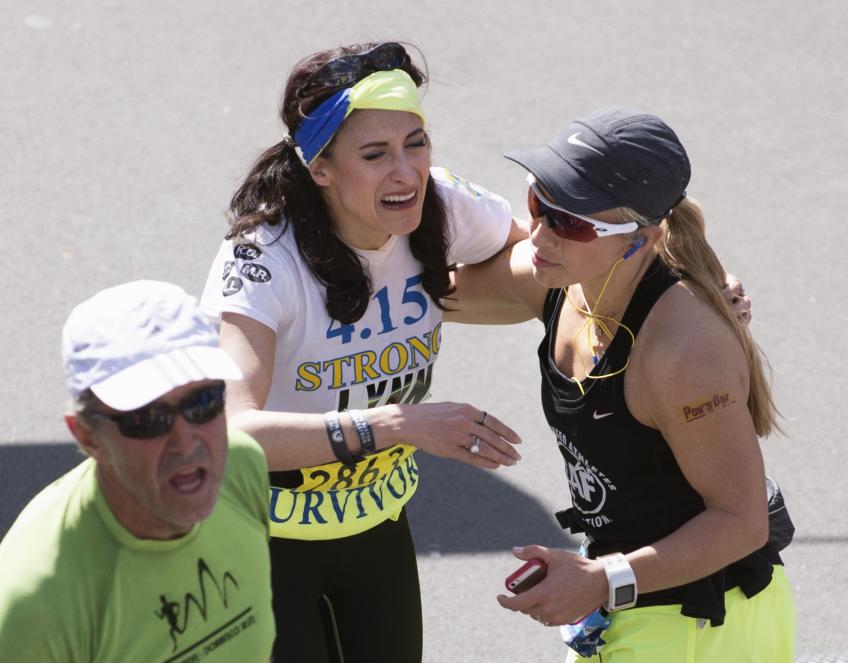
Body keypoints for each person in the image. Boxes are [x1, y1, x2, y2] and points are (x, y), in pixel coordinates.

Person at [199, 42, 524, 662]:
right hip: (264, 543)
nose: (406, 172)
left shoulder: (441, 204)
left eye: (416, 143)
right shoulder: (263, 257)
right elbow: (232, 429)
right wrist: (396, 424)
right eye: (375, 155)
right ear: (320, 166)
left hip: (376, 525)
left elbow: (550, 262)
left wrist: (682, 283)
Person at [453, 107, 794, 661]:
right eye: (540, 202)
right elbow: (425, 297)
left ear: (638, 241)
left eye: (572, 221)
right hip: (624, 599)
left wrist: (600, 580)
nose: (539, 233)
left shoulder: (683, 355)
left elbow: (742, 521)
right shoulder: (558, 276)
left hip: (703, 626)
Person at [0, 281, 275, 662]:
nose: (185, 441)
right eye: (147, 419)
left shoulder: (241, 467)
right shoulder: (34, 599)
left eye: (204, 401)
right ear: (86, 435)